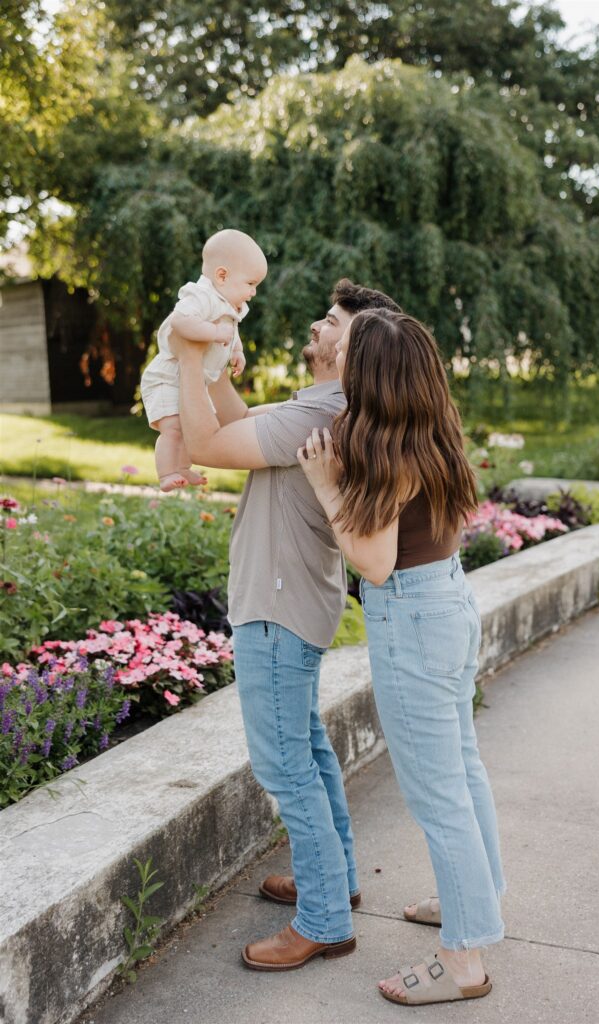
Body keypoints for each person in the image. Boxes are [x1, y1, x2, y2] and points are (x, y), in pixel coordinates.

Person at [175, 278, 401, 970]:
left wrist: (187, 356)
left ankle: (326, 918)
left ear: (353, 345)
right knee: (308, 750)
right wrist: (216, 374)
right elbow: (239, 429)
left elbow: (205, 446)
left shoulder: (320, 414)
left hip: (275, 611)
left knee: (286, 767)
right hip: (295, 605)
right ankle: (336, 881)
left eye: (331, 321)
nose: (317, 325)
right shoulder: (322, 406)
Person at [298, 308, 507, 1006]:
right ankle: (476, 902)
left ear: (374, 376)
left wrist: (327, 487)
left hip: (413, 616)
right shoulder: (432, 429)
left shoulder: (379, 447)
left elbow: (376, 564)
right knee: (463, 768)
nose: (337, 352)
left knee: (436, 792)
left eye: (349, 349)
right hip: (449, 604)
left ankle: (464, 962)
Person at [141, 228, 266, 491]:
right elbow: (180, 321)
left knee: (192, 426)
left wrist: (237, 351)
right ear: (222, 275)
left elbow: (232, 333)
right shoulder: (200, 296)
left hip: (195, 380)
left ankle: (184, 468)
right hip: (168, 377)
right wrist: (213, 332)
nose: (253, 292)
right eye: (251, 284)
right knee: (173, 428)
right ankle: (166, 473)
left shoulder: (230, 305)